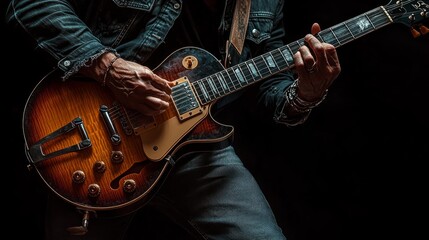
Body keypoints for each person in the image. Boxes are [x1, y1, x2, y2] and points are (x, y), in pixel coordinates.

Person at [6, 0, 341, 239]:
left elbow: (268, 89)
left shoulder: (264, 4)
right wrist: (108, 67)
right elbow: (31, 4)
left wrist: (306, 93)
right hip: (99, 135)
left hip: (196, 143)